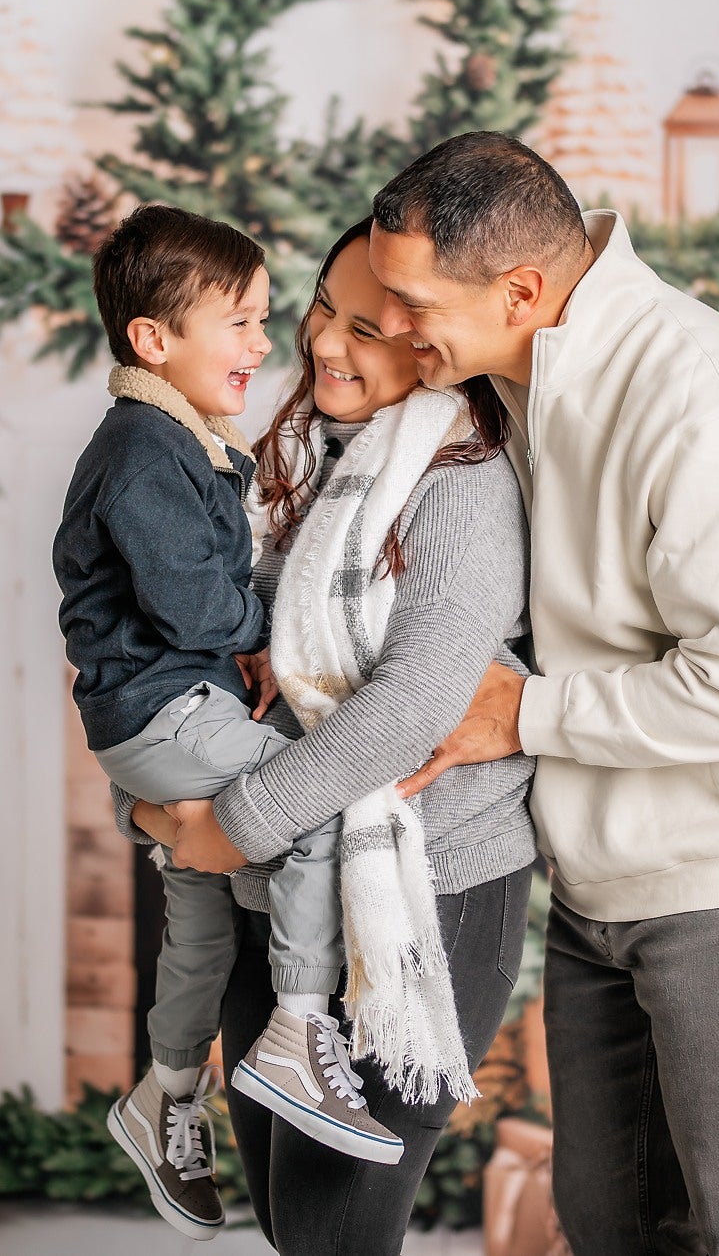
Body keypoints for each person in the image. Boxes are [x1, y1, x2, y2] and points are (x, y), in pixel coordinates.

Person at [367, 131, 719, 1255]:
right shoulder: (513, 385)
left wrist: (520, 714)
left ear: (519, 288)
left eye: (413, 301)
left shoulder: (716, 407)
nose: (397, 327)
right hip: (601, 882)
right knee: (609, 1223)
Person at [135, 217, 538, 1254]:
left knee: (329, 1233)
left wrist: (233, 821)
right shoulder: (293, 461)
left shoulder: (461, 486)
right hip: (272, 889)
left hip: (424, 892)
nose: (322, 343)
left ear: (430, 347)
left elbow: (410, 706)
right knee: (286, 1219)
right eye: (322, 307)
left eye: (366, 328)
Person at [52, 205, 399, 1242]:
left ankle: (163, 1093)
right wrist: (279, 623)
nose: (263, 345)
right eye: (238, 324)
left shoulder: (177, 438)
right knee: (311, 799)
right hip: (163, 713)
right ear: (152, 341)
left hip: (157, 711)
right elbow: (200, 608)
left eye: (262, 320)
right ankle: (297, 1026)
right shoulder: (145, 450)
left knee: (198, 912)